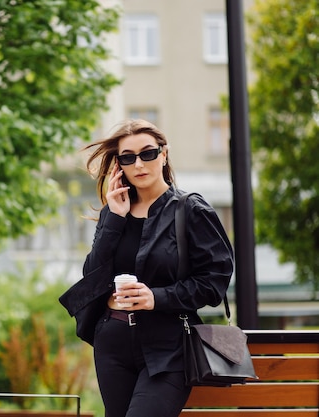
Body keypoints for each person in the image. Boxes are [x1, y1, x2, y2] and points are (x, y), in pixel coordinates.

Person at [59, 119, 234, 417]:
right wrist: (114, 218)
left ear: (164, 155)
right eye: (128, 157)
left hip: (168, 346)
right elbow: (93, 276)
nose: (139, 163)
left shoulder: (191, 210)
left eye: (148, 153)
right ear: (119, 165)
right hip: (112, 343)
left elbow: (214, 282)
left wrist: (157, 297)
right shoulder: (113, 212)